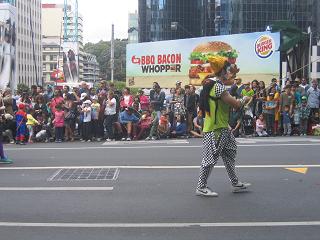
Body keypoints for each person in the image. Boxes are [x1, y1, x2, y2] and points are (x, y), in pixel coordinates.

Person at [196, 55, 251, 197]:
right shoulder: (218, 87)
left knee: (230, 152)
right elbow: (236, 104)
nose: (229, 72)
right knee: (210, 159)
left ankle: (235, 182)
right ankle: (201, 187)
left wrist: (234, 72)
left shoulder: (212, 82)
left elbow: (230, 79)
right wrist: (244, 100)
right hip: (215, 130)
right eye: (227, 70)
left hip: (223, 128)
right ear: (222, 71)